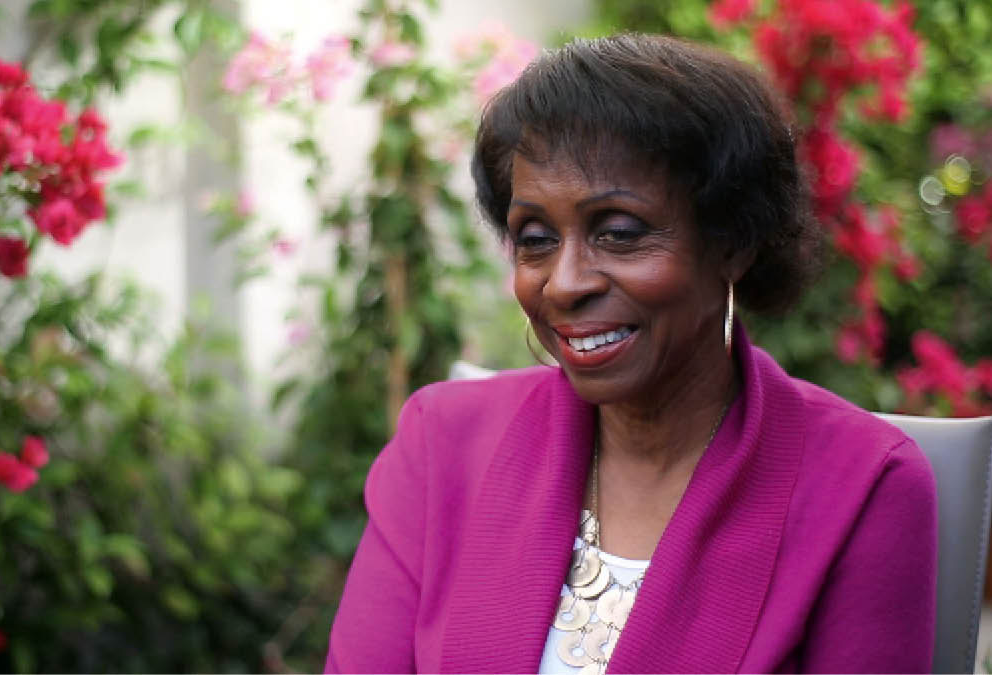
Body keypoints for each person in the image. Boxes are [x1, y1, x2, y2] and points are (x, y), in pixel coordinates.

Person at [325, 34, 936, 674]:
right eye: (535, 238)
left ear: (733, 242)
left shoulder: (863, 489)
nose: (564, 283)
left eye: (618, 233)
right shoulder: (441, 443)